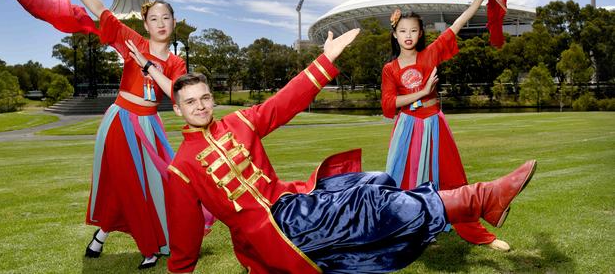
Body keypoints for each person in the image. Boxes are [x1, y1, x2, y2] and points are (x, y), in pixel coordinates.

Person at [150, 28, 536, 273]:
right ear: (178, 108)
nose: (200, 106)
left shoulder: (241, 122)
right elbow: (184, 235)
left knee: (372, 188)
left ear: (213, 99)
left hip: (294, 207)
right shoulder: (181, 168)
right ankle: (484, 197)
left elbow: (286, 101)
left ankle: (482, 199)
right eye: (190, 102)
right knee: (369, 206)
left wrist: (326, 58)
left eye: (205, 97)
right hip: (272, 237)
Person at [50, 0, 193, 269]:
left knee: (155, 184)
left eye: (165, 18)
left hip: (150, 124)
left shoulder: (176, 63)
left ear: (173, 23)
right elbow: (100, 9)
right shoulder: (132, 41)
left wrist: (148, 66)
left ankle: (102, 235)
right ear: (146, 23)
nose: (160, 24)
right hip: (121, 120)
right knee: (128, 182)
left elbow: (175, 93)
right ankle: (149, 247)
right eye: (153, 18)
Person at [380, 0, 510, 251]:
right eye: (402, 30)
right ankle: (410, 229)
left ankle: (475, 231)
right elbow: (388, 105)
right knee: (405, 182)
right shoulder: (390, 69)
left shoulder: (431, 54)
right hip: (408, 128)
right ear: (394, 34)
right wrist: (423, 91)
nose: (408, 35)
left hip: (435, 124)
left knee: (452, 179)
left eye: (413, 30)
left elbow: (458, 24)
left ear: (420, 34)